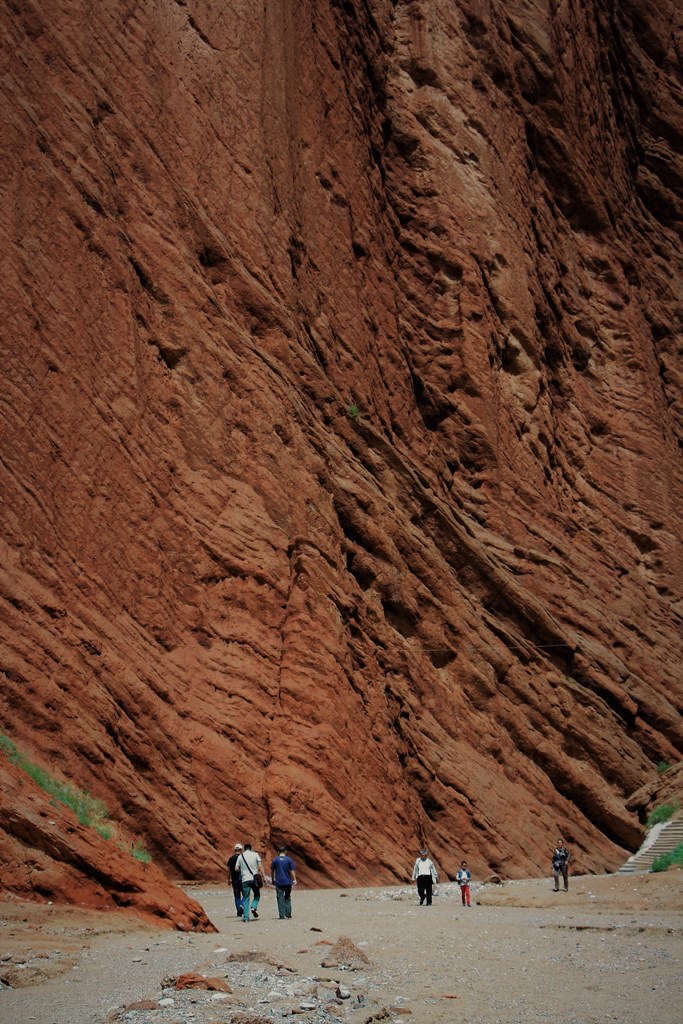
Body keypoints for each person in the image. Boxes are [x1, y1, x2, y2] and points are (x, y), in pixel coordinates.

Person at [237, 842, 263, 921]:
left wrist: (242, 871)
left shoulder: (240, 856)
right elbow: (260, 866)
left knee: (245, 898)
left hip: (245, 879)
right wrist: (264, 877)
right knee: (257, 895)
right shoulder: (255, 854)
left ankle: (245, 917)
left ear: (244, 849)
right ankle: (253, 907)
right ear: (251, 848)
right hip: (254, 879)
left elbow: (236, 868)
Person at [271, 845, 297, 919]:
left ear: (278, 852)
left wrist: (273, 880)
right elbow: (292, 870)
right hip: (287, 882)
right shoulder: (289, 860)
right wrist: (294, 879)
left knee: (280, 898)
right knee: (287, 897)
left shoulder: (275, 860)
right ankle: (288, 914)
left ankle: (282, 915)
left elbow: (272, 870)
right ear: (285, 852)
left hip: (279, 882)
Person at [227, 842, 245, 917]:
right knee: (245, 895)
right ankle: (242, 905)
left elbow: (228, 871)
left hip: (234, 880)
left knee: (237, 895)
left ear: (235, 850)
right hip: (243, 879)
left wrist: (228, 879)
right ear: (241, 850)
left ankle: (238, 910)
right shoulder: (243, 858)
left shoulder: (231, 859)